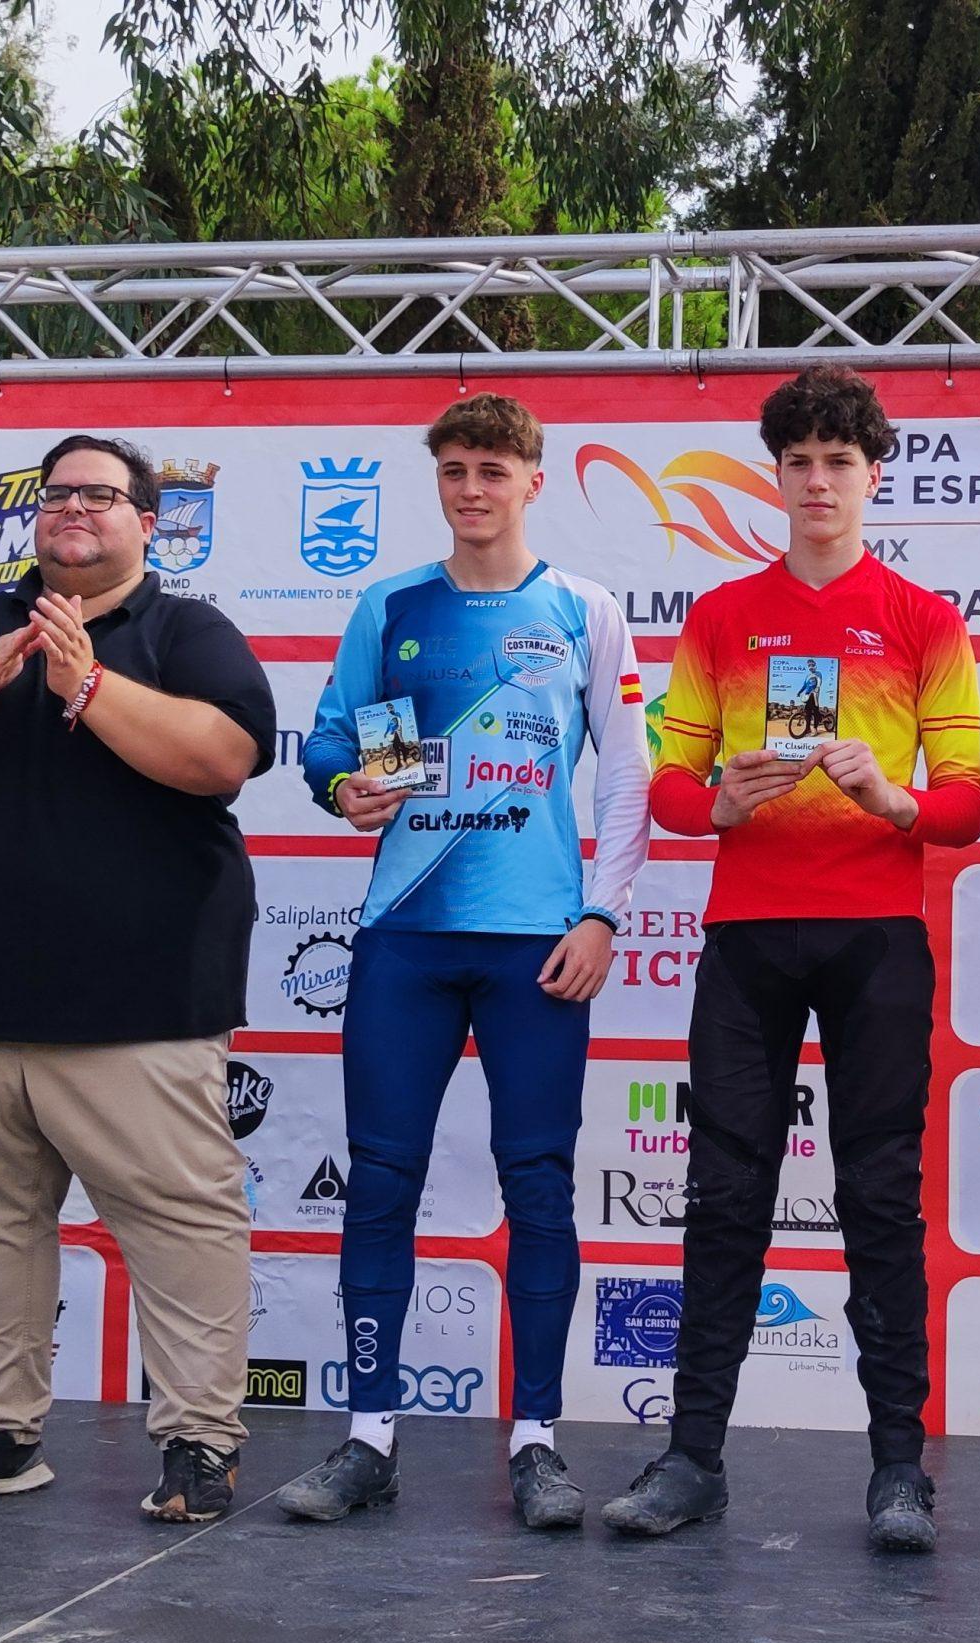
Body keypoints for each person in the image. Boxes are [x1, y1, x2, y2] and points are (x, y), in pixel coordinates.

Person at [0, 434, 274, 1524]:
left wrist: (85, 683)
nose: (74, 509)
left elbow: (222, 756)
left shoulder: (186, 630)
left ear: (147, 522)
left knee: (179, 1224)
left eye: (100, 494)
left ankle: (199, 1440)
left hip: (139, 1001)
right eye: (58, 494)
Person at [598, 364, 980, 1551]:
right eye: (799, 462)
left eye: (839, 462)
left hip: (875, 940)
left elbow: (965, 805)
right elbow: (668, 783)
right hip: (749, 937)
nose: (818, 482)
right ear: (774, 476)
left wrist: (893, 797)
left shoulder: (924, 620)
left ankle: (899, 1470)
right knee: (723, 1195)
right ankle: (691, 1459)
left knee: (879, 1198)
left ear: (874, 476)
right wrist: (718, 800)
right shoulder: (722, 615)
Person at [276, 392, 651, 1530]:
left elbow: (627, 774)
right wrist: (343, 786)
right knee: (380, 1180)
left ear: (533, 480)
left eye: (493, 470)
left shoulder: (585, 608)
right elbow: (332, 738)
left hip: (537, 944)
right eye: (454, 470)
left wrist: (603, 914)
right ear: (437, 480)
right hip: (405, 934)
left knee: (537, 1185)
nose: (473, 489)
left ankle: (536, 1441)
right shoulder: (390, 604)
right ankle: (370, 1437)